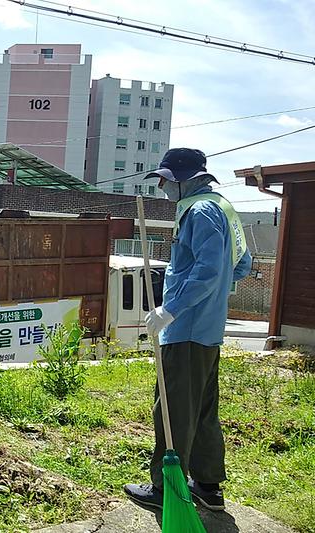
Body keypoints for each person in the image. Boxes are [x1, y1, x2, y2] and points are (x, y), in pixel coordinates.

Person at [124, 148, 252, 511]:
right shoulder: (223, 207)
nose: (162, 186)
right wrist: (209, 298)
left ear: (184, 178)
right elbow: (240, 265)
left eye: (165, 179)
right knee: (203, 410)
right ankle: (208, 486)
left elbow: (209, 272)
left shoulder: (198, 211)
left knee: (174, 411)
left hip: (186, 331)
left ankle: (167, 490)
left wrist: (172, 309)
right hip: (208, 330)